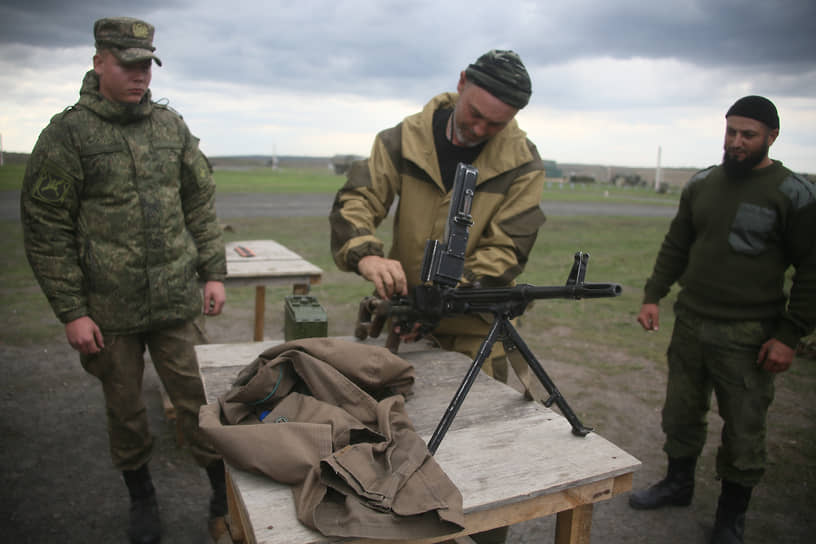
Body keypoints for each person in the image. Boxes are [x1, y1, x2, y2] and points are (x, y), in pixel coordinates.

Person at [21, 17, 229, 544]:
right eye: (128, 65)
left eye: (146, 66)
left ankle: (221, 496)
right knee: (126, 410)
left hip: (174, 301)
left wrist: (213, 272)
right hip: (108, 312)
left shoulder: (169, 126)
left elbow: (199, 199)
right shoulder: (67, 135)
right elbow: (46, 228)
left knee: (199, 401)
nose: (140, 77)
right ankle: (142, 499)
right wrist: (72, 310)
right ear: (99, 62)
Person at [329, 49, 547, 544]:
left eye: (497, 124)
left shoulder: (523, 163)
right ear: (461, 82)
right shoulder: (401, 139)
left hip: (475, 334)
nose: (480, 130)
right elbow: (357, 200)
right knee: (394, 447)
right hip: (406, 329)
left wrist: (451, 291)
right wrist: (367, 254)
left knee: (483, 460)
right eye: (474, 114)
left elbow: (508, 249)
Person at [628, 95, 816, 544]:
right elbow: (677, 244)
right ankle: (678, 484)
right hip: (692, 322)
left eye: (747, 135)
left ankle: (731, 518)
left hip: (749, 335)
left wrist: (790, 335)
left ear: (771, 137)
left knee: (744, 429)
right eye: (730, 131)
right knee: (681, 414)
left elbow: (811, 268)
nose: (735, 142)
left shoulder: (793, 193)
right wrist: (654, 295)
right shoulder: (703, 184)